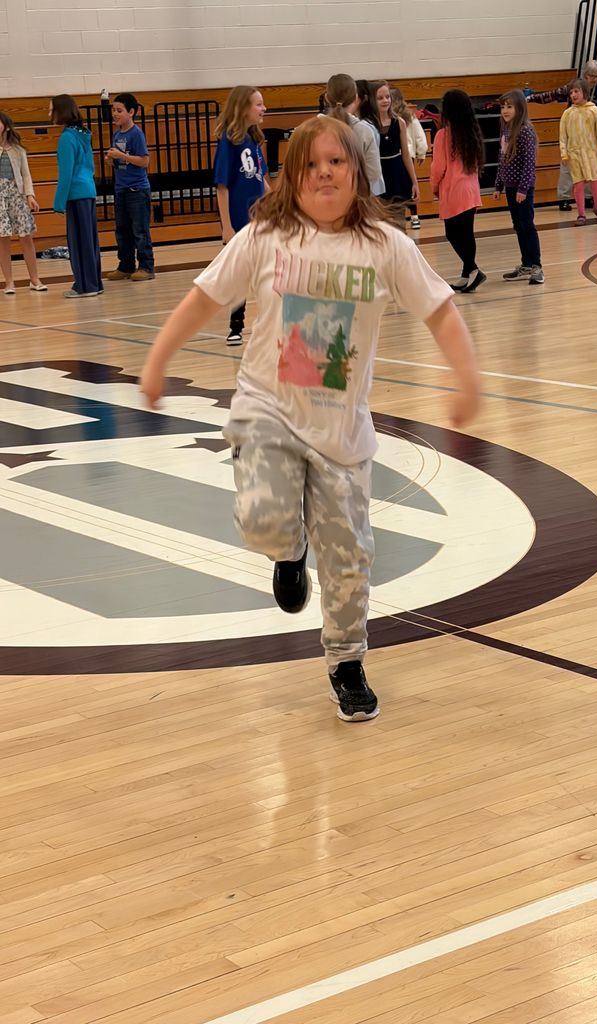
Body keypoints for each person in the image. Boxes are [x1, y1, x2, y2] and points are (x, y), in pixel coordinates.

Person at [139, 117, 480, 721]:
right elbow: (205, 298)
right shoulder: (265, 238)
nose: (324, 173)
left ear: (357, 173)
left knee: (349, 559)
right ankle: (289, 550)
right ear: (291, 177)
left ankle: (346, 662)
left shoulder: (385, 246)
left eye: (336, 162)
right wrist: (158, 359)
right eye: (311, 164)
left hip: (339, 430)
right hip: (266, 407)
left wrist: (468, 379)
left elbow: (440, 312)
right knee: (263, 517)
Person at [213, 85, 270, 345]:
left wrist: (278, 202)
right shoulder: (229, 141)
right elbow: (222, 187)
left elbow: (261, 179)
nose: (263, 109)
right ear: (243, 108)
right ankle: (236, 326)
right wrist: (227, 226)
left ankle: (271, 322)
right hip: (239, 221)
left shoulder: (253, 139)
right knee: (240, 274)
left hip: (259, 219)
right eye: (258, 104)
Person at [528, 62, 597, 211]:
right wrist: (531, 98)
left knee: (590, 168)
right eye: (591, 76)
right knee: (566, 169)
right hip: (573, 135)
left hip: (589, 137)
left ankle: (589, 198)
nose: (594, 79)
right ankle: (563, 198)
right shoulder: (572, 88)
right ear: (585, 75)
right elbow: (550, 95)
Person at [430, 88, 486, 292]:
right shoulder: (472, 133)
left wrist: (434, 187)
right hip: (471, 190)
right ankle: (465, 275)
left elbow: (438, 168)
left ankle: (474, 270)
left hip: (454, 190)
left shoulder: (443, 135)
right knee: (466, 233)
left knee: (453, 234)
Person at [50, 94, 102, 298]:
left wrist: (58, 202)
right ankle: (94, 282)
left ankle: (85, 286)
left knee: (79, 242)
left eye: (51, 109)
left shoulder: (67, 138)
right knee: (89, 241)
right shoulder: (82, 133)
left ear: (61, 111)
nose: (49, 113)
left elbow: (66, 173)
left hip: (76, 194)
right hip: (87, 191)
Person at [492, 90, 544, 284]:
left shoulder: (525, 131)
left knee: (527, 225)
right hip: (510, 187)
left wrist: (523, 189)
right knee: (518, 225)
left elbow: (529, 164)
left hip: (523, 189)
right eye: (502, 107)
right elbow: (502, 160)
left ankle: (537, 266)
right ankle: (526, 264)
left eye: (509, 106)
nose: (505, 110)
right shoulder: (505, 130)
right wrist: (498, 185)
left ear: (520, 108)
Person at [105, 93, 154, 283]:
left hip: (137, 190)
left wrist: (122, 156)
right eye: (113, 110)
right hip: (121, 189)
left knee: (140, 231)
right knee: (122, 231)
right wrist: (112, 159)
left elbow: (144, 161)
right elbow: (120, 160)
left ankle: (146, 267)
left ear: (131, 112)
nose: (115, 114)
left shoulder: (136, 134)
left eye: (119, 110)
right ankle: (126, 266)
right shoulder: (117, 134)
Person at [0, 111, 46, 294]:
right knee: (2, 238)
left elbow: (26, 175)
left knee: (26, 236)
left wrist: (30, 195)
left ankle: (35, 280)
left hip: (16, 195)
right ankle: (9, 283)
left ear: (5, 126)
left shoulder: (18, 150)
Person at [323, 74, 384, 199]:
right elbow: (374, 174)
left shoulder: (309, 130)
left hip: (322, 198)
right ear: (355, 98)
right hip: (356, 199)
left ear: (327, 98)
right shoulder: (364, 131)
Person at [559, 78, 597, 225]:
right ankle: (581, 214)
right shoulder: (567, 114)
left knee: (595, 180)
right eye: (571, 92)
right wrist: (564, 153)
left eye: (576, 91)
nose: (573, 95)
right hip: (574, 154)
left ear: (585, 92)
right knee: (578, 183)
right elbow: (563, 136)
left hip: (592, 153)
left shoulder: (595, 111)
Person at [367, 80, 419, 207]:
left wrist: (414, 181)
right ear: (372, 100)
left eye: (387, 97)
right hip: (378, 174)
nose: (385, 100)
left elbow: (406, 155)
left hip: (397, 174)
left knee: (398, 214)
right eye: (380, 98)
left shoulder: (399, 122)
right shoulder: (368, 125)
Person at [390, 87, 428, 228]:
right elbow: (420, 136)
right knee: (409, 185)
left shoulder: (397, 117)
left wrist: (421, 152)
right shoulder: (408, 116)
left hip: (399, 155)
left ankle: (405, 215)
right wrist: (421, 152)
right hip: (406, 155)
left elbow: (418, 135)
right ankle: (414, 217)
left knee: (403, 186)